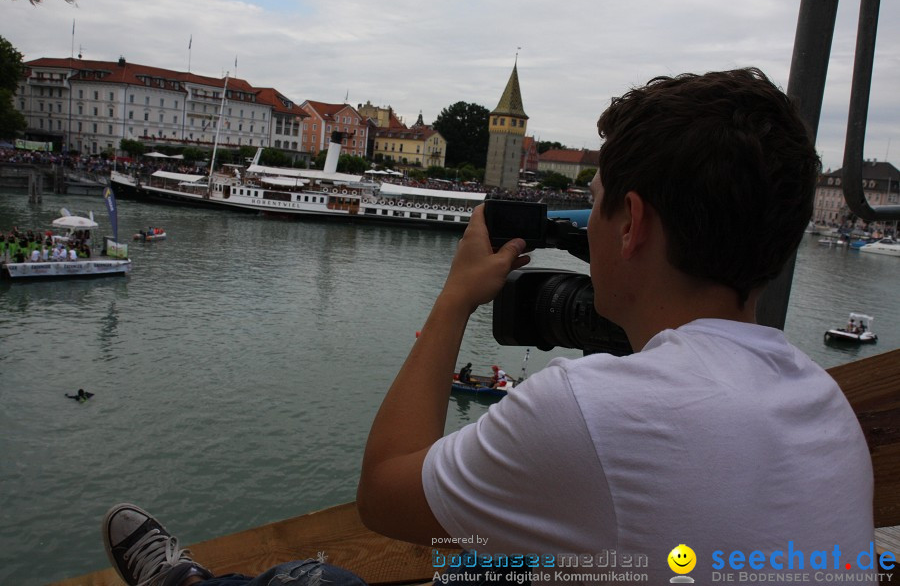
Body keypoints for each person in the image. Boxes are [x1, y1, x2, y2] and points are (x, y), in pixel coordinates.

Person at [101, 69, 875, 586]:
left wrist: (454, 299)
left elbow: (382, 493)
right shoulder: (825, 408)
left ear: (631, 223)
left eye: (596, 198)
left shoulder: (592, 410)